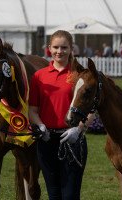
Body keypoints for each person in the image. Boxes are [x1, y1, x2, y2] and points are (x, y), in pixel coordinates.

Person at [29, 30, 92, 200]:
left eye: (64, 47)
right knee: (54, 195)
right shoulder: (39, 76)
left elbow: (91, 111)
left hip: (72, 140)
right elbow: (32, 110)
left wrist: (79, 130)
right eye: (55, 47)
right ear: (49, 48)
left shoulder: (80, 74)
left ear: (71, 49)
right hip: (46, 141)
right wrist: (40, 126)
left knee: (70, 195)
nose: (59, 51)